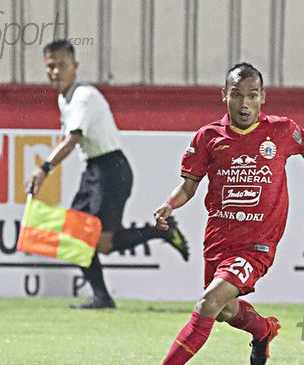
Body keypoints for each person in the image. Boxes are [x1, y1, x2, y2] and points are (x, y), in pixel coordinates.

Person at [129, 62, 304, 365]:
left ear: (263, 97)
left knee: (208, 303)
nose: (244, 103)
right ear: (224, 96)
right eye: (236, 95)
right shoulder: (209, 138)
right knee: (223, 311)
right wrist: (170, 204)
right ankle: (262, 331)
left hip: (257, 245)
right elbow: (188, 186)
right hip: (218, 243)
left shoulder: (280, 130)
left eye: (251, 95)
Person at [26, 40, 190, 310]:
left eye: (62, 65)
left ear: (75, 66)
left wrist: (44, 169)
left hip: (111, 170)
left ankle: (162, 233)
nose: (55, 72)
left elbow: (72, 139)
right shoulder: (63, 98)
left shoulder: (84, 96)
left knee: (99, 242)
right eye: (50, 66)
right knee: (75, 236)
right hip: (95, 170)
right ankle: (102, 296)